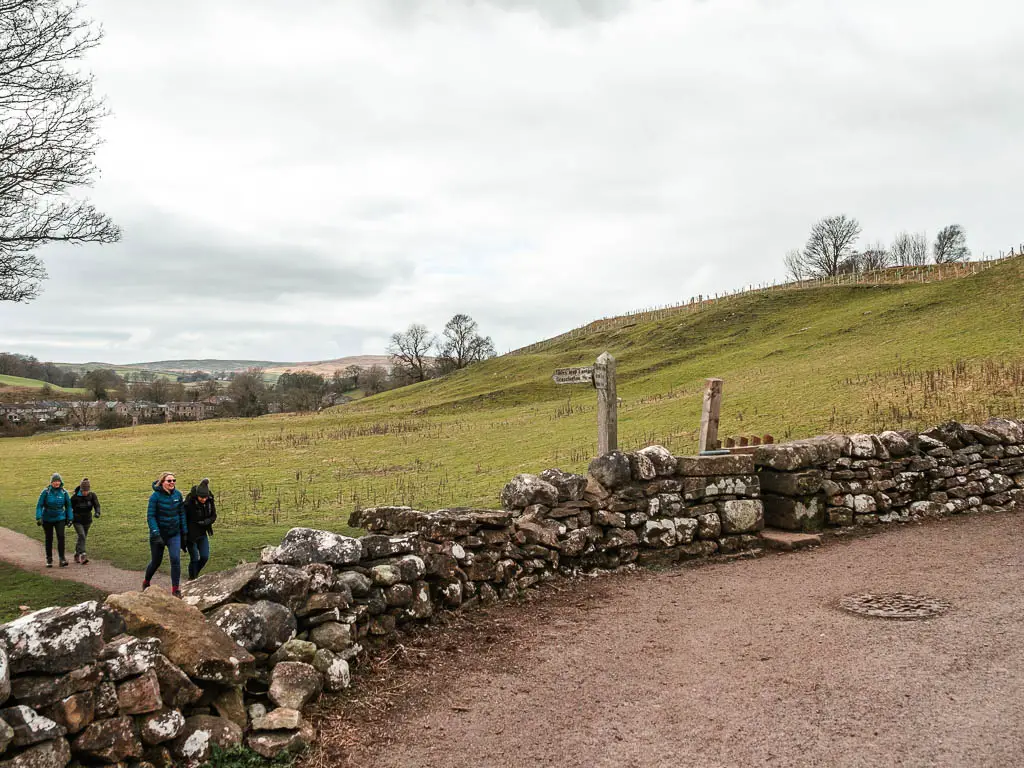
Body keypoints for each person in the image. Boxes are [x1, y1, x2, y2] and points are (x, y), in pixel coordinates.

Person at [143, 471, 187, 597]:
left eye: (174, 480)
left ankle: (175, 590)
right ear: (162, 482)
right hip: (159, 535)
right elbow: (151, 516)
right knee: (156, 561)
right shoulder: (155, 497)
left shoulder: (178, 495)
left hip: (174, 534)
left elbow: (181, 514)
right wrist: (156, 533)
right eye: (169, 481)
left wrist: (184, 533)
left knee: (175, 559)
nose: (172, 482)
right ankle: (146, 581)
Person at [36, 473, 72, 567]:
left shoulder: (64, 493)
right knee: (49, 538)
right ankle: (49, 559)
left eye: (58, 481)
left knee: (61, 537)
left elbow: (68, 506)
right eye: (55, 481)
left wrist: (70, 518)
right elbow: (39, 505)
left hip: (60, 518)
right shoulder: (45, 492)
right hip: (47, 518)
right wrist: (38, 517)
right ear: (51, 482)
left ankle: (62, 559)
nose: (57, 483)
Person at [184, 478, 217, 580]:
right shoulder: (188, 503)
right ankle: (192, 578)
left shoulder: (210, 501)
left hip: (203, 533)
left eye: (205, 497)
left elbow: (213, 516)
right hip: (191, 535)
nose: (203, 499)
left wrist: (206, 522)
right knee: (194, 558)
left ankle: (194, 575)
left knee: (204, 557)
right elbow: (183, 518)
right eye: (201, 497)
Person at [70, 477, 101, 565]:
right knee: (82, 535)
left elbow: (97, 505)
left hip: (87, 520)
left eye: (87, 491)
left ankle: (76, 553)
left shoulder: (92, 495)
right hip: (77, 521)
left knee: (82, 538)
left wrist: (97, 512)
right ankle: (83, 555)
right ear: (81, 489)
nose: (85, 493)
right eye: (84, 491)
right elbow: (69, 508)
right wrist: (69, 519)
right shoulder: (74, 498)